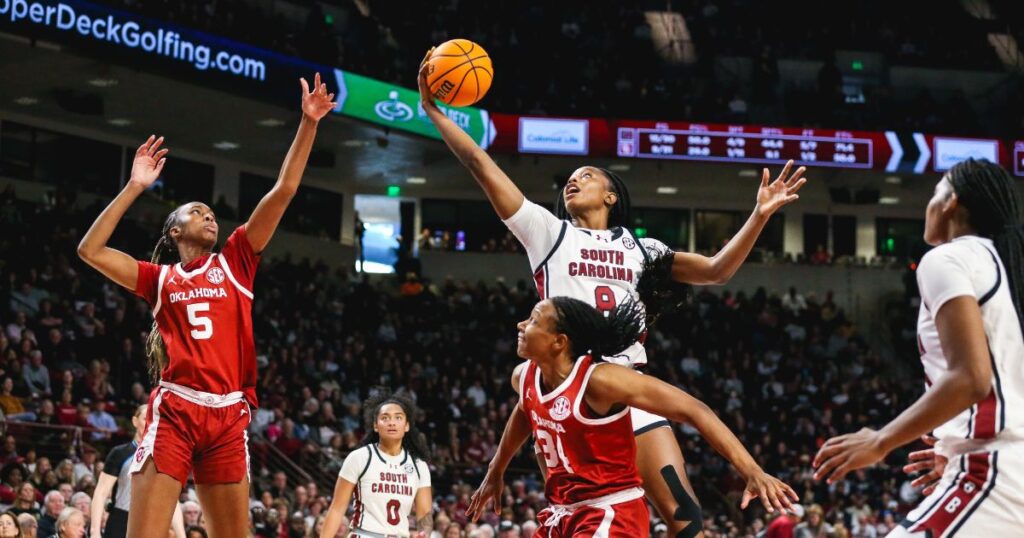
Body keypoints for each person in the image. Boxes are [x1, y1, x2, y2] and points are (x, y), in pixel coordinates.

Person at [418, 51, 807, 536]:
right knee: (579, 513)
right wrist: (434, 110)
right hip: (566, 386)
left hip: (622, 381)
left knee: (687, 521)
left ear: (611, 195)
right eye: (568, 178)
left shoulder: (641, 248)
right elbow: (479, 161)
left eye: (587, 174)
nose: (572, 180)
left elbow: (715, 271)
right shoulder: (547, 233)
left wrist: (759, 215)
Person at [76, 73, 335, 538]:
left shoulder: (237, 258)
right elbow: (90, 251)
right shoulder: (160, 279)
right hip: (176, 409)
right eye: (196, 211)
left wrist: (309, 123)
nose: (208, 215)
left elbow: (284, 190)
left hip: (228, 414)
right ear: (174, 232)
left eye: (211, 212)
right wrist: (135, 187)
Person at [813, 159, 1024, 535]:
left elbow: (972, 377)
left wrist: (880, 441)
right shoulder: (1010, 267)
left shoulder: (948, 258)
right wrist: (954, 444)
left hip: (993, 473)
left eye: (934, 192)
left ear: (951, 202)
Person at [467, 297, 797, 536]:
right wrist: (496, 469)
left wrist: (751, 471)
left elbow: (695, 410)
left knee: (686, 521)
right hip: (562, 515)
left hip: (611, 512)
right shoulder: (523, 376)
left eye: (534, 320)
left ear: (559, 342)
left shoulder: (602, 381)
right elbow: (526, 409)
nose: (521, 325)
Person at [320, 393, 433, 538]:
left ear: (406, 426)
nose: (391, 423)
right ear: (375, 425)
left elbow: (425, 514)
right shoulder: (359, 458)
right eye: (385, 418)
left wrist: (424, 534)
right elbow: (337, 508)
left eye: (398, 418)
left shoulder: (419, 465)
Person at [90, 404, 186, 538]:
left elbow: (172, 501)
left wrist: (182, 536)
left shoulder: (166, 456)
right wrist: (95, 532)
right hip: (121, 520)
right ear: (135, 421)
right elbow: (101, 493)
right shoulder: (120, 453)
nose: (149, 423)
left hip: (153, 523)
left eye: (154, 419)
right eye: (145, 418)